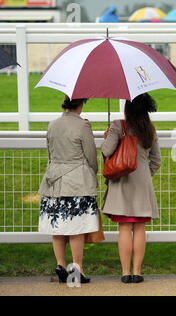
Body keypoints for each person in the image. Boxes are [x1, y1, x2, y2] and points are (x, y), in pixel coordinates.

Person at [38, 96, 99, 284]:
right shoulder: (83, 126)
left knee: (58, 227)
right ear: (80, 104)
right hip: (77, 183)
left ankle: (60, 264)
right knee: (76, 228)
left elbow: (50, 151)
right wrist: (93, 174)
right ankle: (77, 269)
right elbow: (91, 156)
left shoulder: (52, 124)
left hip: (53, 182)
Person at [102, 93, 161, 284]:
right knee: (140, 227)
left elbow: (106, 151)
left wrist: (108, 136)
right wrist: (145, 175)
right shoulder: (150, 129)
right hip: (143, 183)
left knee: (125, 227)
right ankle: (137, 271)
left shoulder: (119, 126)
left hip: (121, 183)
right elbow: (156, 161)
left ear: (127, 109)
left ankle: (125, 272)